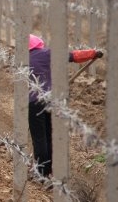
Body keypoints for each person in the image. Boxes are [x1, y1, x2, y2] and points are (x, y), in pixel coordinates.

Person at [28, 34, 103, 177]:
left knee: (39, 139)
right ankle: (47, 171)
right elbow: (73, 56)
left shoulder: (22, 60)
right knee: (48, 136)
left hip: (33, 103)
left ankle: (41, 174)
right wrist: (93, 53)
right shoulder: (48, 54)